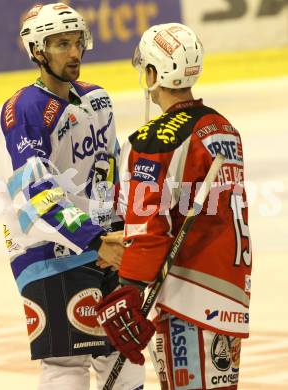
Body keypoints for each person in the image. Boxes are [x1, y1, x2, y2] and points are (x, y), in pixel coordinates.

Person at [0, 3, 144, 389]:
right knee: (66, 364)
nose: (74, 53)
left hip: (101, 247)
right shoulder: (23, 109)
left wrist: (115, 233)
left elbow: (106, 173)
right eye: (62, 44)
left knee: (123, 354)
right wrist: (95, 238)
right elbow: (33, 192)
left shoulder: (98, 100)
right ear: (37, 50)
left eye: (77, 42)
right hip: (45, 252)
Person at [96, 23, 252, 390]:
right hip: (229, 288)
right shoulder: (222, 127)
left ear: (153, 73)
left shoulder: (153, 139)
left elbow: (151, 225)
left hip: (188, 294)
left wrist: (129, 288)